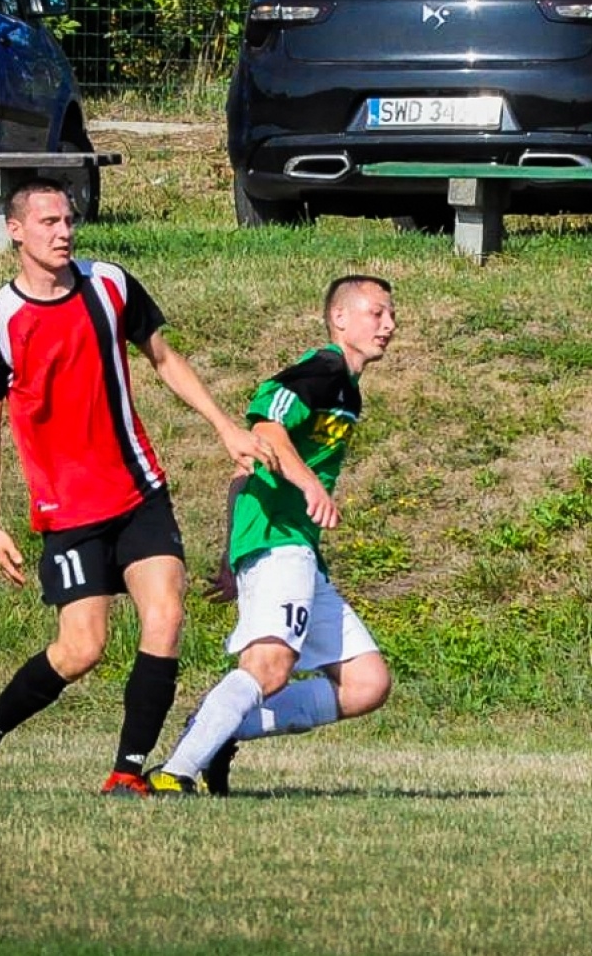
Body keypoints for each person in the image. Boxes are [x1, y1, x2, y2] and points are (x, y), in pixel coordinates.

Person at [0, 177, 274, 797]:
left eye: (68, 220)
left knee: (165, 617)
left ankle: (126, 772)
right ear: (15, 230)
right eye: (48, 223)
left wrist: (224, 426)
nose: (63, 233)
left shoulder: (110, 284)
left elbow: (164, 358)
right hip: (68, 512)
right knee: (81, 649)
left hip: (138, 488)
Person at [145, 275, 398, 797]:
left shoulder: (346, 387)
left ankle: (218, 726)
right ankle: (175, 772)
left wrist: (230, 552)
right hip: (280, 538)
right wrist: (311, 488)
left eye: (392, 316)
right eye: (377, 314)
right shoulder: (322, 369)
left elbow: (244, 470)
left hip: (290, 542)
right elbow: (264, 431)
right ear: (340, 318)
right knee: (270, 666)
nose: (389, 326)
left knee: (367, 683)